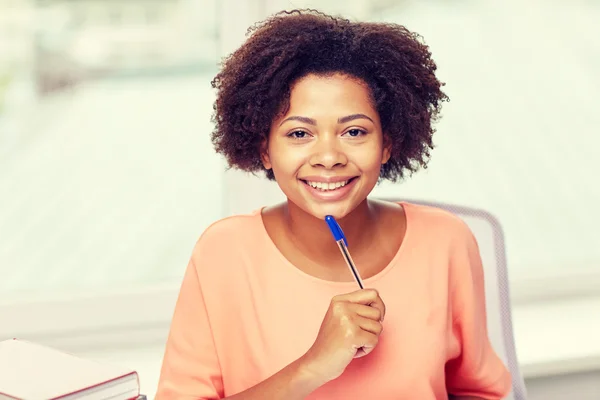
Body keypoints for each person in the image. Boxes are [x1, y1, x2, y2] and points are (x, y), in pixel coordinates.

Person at [156, 9, 511, 400]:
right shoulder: (222, 253)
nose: (328, 156)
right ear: (265, 149)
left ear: (388, 143)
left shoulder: (447, 242)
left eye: (354, 131)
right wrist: (315, 365)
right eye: (300, 133)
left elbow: (481, 392)